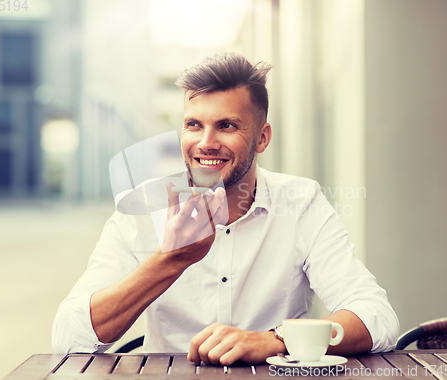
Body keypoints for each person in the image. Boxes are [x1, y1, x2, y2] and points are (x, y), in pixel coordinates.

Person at [52, 52, 399, 365]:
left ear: (262, 138)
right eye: (193, 125)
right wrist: (170, 260)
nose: (205, 143)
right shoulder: (142, 209)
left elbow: (377, 318)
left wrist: (273, 341)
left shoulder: (301, 201)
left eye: (226, 125)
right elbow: (69, 340)